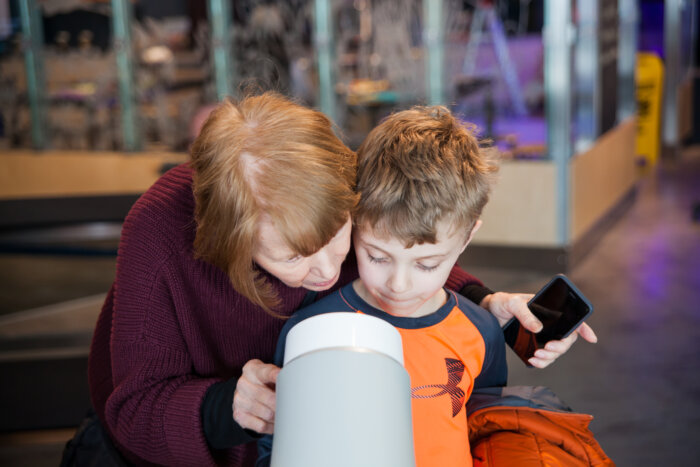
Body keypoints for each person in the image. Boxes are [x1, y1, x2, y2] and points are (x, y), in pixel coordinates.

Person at [85, 92, 594, 466]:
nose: (329, 271)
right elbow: (133, 412)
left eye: (341, 237)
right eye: (293, 259)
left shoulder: (335, 179)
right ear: (230, 245)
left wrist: (486, 300)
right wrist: (226, 405)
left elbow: (402, 244)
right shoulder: (159, 232)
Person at [257, 105, 507, 466]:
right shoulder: (312, 331)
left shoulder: (481, 330)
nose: (398, 284)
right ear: (353, 222)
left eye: (427, 264)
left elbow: (487, 430)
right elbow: (278, 447)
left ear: (468, 237)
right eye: (377, 257)